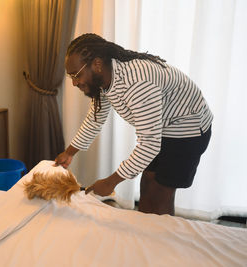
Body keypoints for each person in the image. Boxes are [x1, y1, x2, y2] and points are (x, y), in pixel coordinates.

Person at [55, 33, 213, 216]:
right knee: (148, 184)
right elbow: (95, 118)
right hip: (164, 127)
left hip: (188, 130)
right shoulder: (105, 76)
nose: (74, 82)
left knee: (160, 194)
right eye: (71, 76)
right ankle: (148, 234)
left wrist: (110, 182)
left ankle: (161, 239)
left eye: (77, 75)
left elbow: (149, 146)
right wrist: (69, 153)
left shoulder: (136, 83)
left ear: (96, 64)